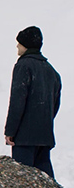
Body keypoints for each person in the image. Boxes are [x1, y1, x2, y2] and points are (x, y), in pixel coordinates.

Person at [5, 26, 62, 179]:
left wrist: (10, 131)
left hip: (25, 137)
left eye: (19, 43)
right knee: (46, 181)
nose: (17, 46)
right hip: (45, 135)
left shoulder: (23, 66)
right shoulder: (51, 71)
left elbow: (17, 101)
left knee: (23, 180)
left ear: (26, 45)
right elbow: (55, 105)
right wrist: (44, 122)